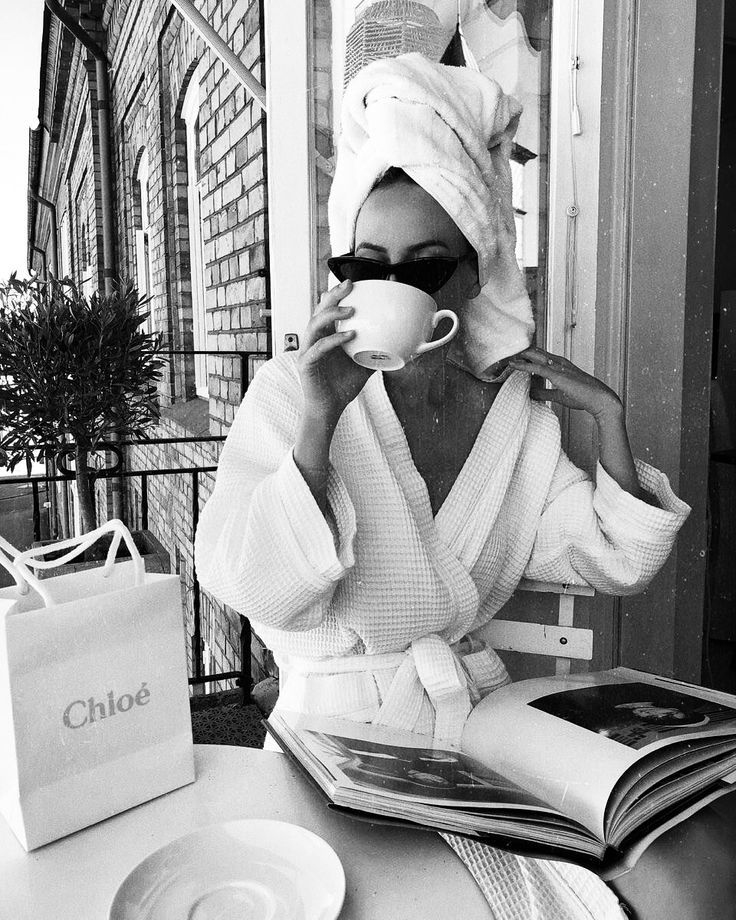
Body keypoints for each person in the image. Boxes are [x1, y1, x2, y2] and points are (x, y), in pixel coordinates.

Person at [194, 53, 731, 920]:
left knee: (691, 868)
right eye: (367, 265)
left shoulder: (516, 417)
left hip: (473, 740)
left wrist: (608, 419)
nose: (391, 288)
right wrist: (320, 424)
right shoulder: (295, 392)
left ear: (474, 274)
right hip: (333, 752)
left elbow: (614, 562)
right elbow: (257, 589)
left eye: (425, 266)